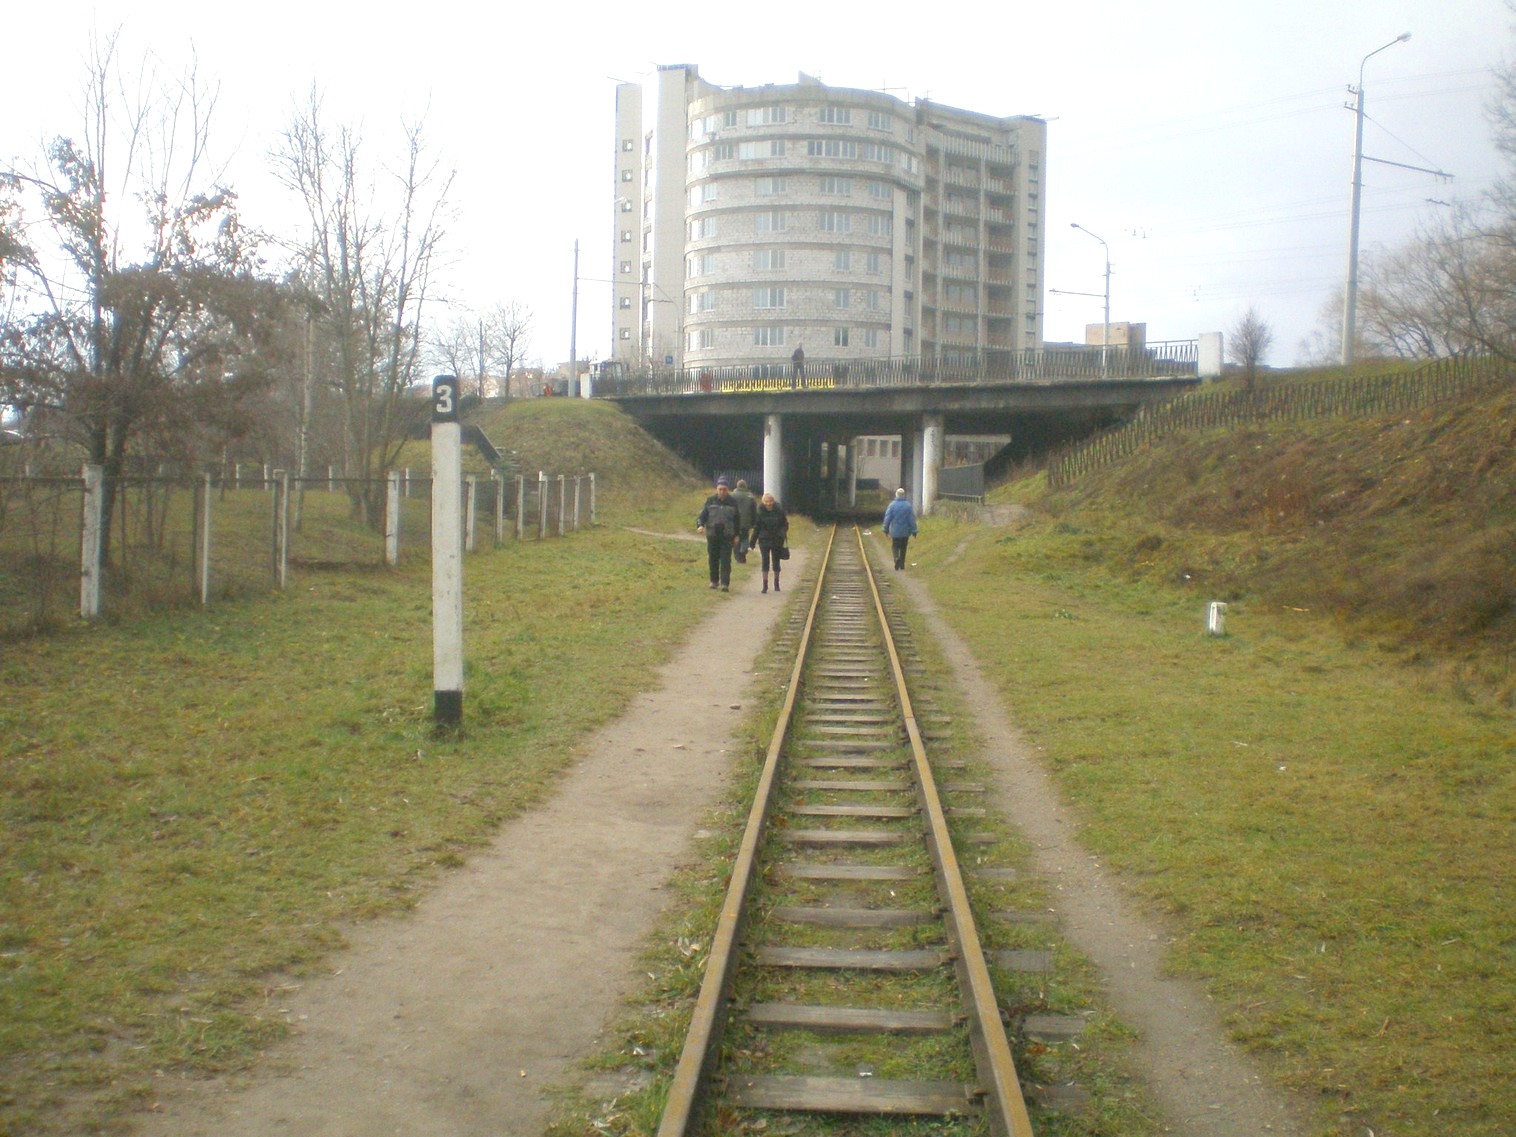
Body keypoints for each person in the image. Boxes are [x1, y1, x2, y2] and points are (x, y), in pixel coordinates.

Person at [696, 476, 741, 591]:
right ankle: (714, 581)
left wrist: (737, 535)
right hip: (713, 534)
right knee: (713, 558)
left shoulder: (733, 502)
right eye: (720, 489)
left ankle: (725, 583)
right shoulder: (710, 500)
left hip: (727, 535)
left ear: (728, 489)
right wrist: (700, 525)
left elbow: (737, 520)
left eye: (724, 489)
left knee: (726, 559)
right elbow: (702, 516)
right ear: (716, 489)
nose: (722, 491)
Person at [752, 491, 789, 594]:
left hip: (777, 539)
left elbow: (785, 524)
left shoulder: (779, 510)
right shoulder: (759, 512)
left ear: (773, 501)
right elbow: (757, 527)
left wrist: (781, 533)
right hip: (764, 539)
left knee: (776, 561)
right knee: (765, 561)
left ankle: (776, 583)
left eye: (770, 501)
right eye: (766, 501)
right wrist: (753, 541)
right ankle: (765, 585)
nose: (769, 503)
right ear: (763, 502)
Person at [881, 487, 918, 570]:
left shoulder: (892, 505)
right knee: (903, 547)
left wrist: (885, 529)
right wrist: (914, 530)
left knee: (895, 546)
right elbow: (911, 519)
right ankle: (902, 564)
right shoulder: (908, 506)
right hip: (905, 531)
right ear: (904, 495)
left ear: (896, 495)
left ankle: (896, 558)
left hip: (895, 531)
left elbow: (887, 518)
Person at [732, 479, 757, 563]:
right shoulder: (751, 496)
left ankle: (738, 557)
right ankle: (743, 552)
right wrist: (753, 523)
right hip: (746, 522)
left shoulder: (732, 496)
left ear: (737, 486)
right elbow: (754, 511)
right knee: (745, 538)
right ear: (745, 486)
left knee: (736, 538)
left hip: (734, 522)